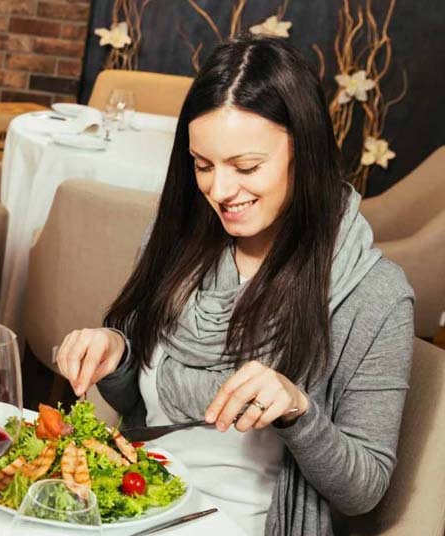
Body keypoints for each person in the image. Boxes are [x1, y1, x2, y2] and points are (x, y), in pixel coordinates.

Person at [54, 36, 413, 535]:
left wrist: (297, 410)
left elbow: (364, 490)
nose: (220, 191)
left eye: (246, 167)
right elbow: (139, 405)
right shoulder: (180, 242)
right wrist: (115, 354)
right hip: (129, 501)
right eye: (203, 166)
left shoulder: (373, 293)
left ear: (303, 153)